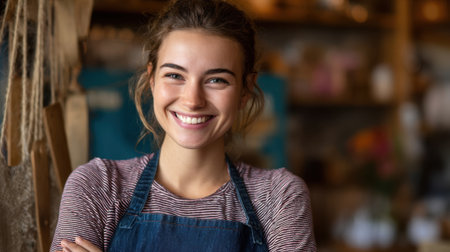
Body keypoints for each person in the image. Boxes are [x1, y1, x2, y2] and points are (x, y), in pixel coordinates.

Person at [51, 0, 316, 251]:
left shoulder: (279, 197)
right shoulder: (98, 186)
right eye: (175, 75)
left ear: (245, 90)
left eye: (216, 80)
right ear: (152, 80)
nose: (192, 100)